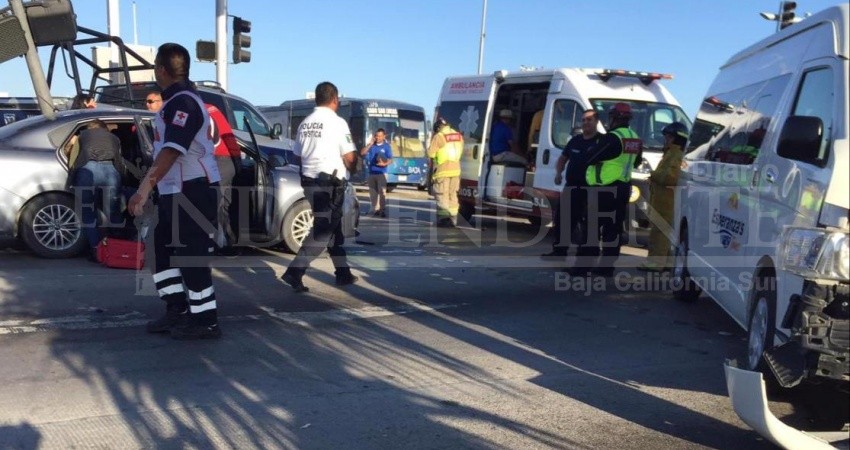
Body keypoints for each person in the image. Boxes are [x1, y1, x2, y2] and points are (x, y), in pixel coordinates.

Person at [128, 43, 222, 340]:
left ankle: (205, 320)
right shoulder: (175, 102)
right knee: (161, 251)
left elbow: (171, 151)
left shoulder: (184, 102)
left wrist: (143, 190)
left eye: (155, 66)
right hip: (175, 191)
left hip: (193, 190)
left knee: (191, 256)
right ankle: (177, 309)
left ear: (162, 70)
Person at [280, 81, 358, 293]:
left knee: (333, 226)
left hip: (309, 181)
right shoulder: (337, 122)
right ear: (335, 99)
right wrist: (354, 168)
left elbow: (297, 156)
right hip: (330, 184)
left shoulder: (305, 123)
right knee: (324, 231)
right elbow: (349, 156)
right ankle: (295, 272)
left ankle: (343, 273)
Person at [580, 103, 643, 277]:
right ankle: (606, 267)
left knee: (591, 228)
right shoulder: (634, 138)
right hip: (623, 187)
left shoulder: (613, 137)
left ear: (614, 118)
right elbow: (637, 162)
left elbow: (590, 158)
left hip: (604, 188)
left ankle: (583, 267)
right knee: (613, 229)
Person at [542, 110, 602, 269]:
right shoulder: (575, 141)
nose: (586, 123)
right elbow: (563, 158)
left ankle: (586, 257)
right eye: (583, 120)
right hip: (572, 186)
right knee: (563, 220)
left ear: (596, 121)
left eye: (589, 120)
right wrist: (558, 173)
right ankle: (559, 251)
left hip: (591, 189)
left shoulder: (601, 141)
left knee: (588, 224)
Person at [71, 120, 123, 261]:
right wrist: (122, 177)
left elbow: (73, 158)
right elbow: (119, 159)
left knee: (88, 213)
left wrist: (71, 178)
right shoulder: (114, 138)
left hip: (87, 171)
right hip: (110, 170)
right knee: (113, 212)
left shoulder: (82, 136)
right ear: (104, 128)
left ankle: (96, 251)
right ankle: (116, 249)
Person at [638, 122, 688, 272]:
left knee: (659, 234)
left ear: (675, 139)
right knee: (663, 232)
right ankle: (666, 262)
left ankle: (656, 263)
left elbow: (670, 178)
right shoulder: (670, 153)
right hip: (662, 201)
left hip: (666, 202)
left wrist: (654, 175)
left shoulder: (675, 155)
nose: (665, 139)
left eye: (668, 136)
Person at [206, 102, 241, 252]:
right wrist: (237, 160)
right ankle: (227, 242)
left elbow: (227, 136)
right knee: (223, 204)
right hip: (226, 161)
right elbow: (229, 137)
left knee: (215, 204)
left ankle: (219, 244)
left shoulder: (202, 110)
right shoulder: (212, 108)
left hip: (218, 160)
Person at [427, 118, 464, 227]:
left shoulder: (439, 136)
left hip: (443, 171)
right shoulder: (458, 135)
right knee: (452, 195)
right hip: (456, 170)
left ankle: (444, 219)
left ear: (438, 127)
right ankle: (453, 219)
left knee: (442, 195)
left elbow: (431, 154)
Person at [360, 128, 392, 217]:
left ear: (384, 136)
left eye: (380, 136)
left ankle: (382, 210)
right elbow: (362, 153)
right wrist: (369, 144)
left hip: (382, 173)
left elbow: (390, 160)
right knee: (373, 194)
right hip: (372, 173)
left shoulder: (386, 146)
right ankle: (374, 209)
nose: (378, 138)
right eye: (376, 136)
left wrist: (384, 163)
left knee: (382, 193)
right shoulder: (372, 145)